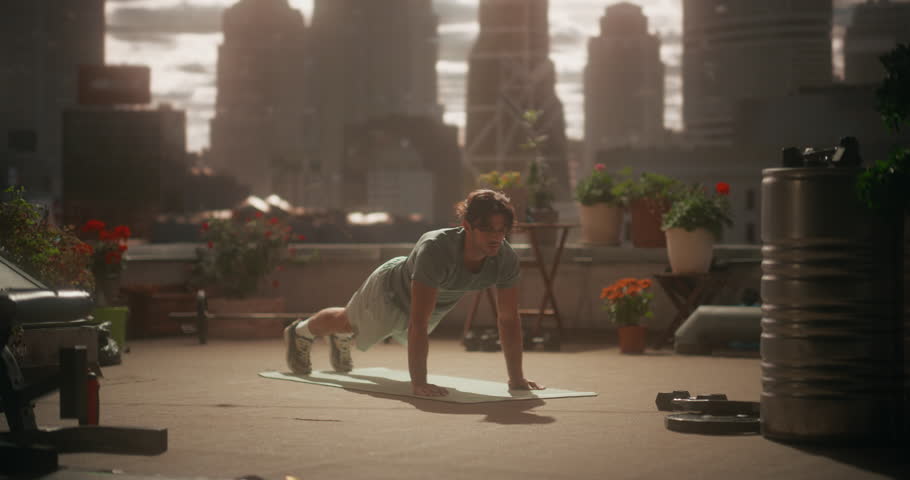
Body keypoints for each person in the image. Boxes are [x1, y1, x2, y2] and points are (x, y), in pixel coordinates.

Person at [283, 189, 545, 397]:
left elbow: (509, 319)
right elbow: (417, 321)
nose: (497, 237)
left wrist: (517, 378)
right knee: (346, 321)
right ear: (467, 225)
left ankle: (342, 336)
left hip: (435, 305)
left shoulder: (505, 258)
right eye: (488, 229)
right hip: (389, 292)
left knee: (360, 327)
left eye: (502, 230)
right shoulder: (435, 249)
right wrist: (419, 384)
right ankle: (300, 332)